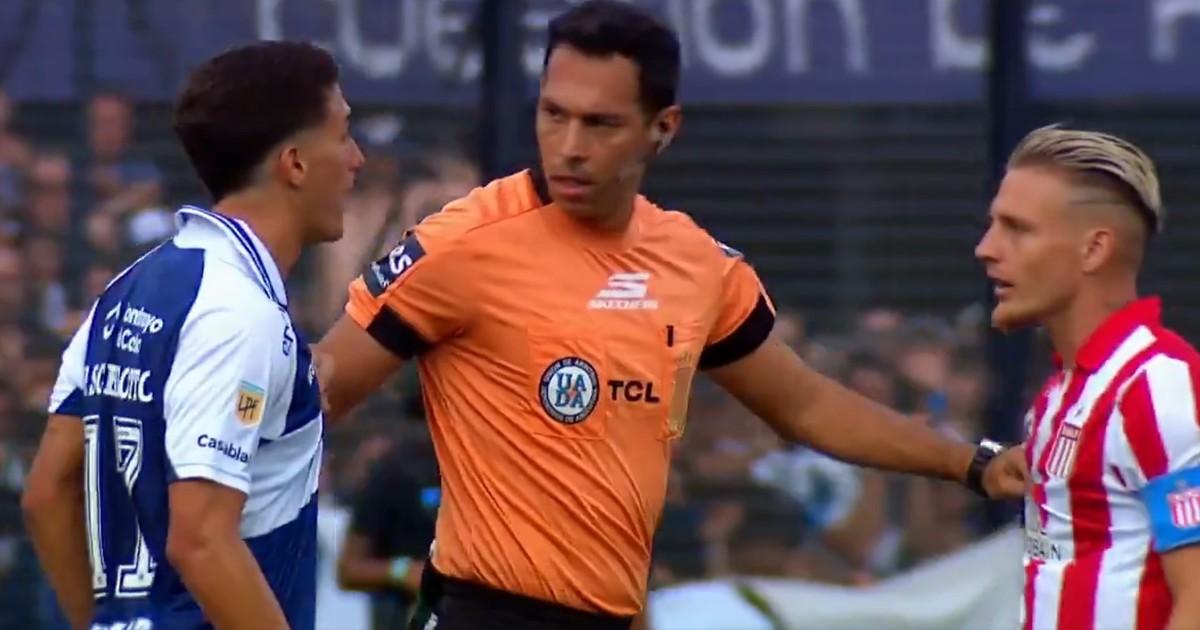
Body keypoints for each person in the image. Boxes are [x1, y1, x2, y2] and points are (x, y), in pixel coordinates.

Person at [315, 2, 1028, 628]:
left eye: (601, 124)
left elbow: (807, 404)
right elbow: (320, 394)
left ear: (663, 128)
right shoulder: (464, 241)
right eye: (554, 114)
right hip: (479, 611)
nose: (570, 145)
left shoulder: (696, 266)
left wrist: (970, 463)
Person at [21, 41, 364, 630]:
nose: (357, 159)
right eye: (344, 135)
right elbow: (201, 539)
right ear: (295, 164)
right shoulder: (239, 312)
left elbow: (47, 493)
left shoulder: (129, 288)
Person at [975, 125, 1200, 630]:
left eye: (1017, 229)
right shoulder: (1060, 394)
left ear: (1094, 249)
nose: (986, 249)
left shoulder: (1155, 386)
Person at [336, 438, 438, 630]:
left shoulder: (481, 476)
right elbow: (348, 570)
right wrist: (403, 571)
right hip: (400, 613)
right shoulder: (392, 472)